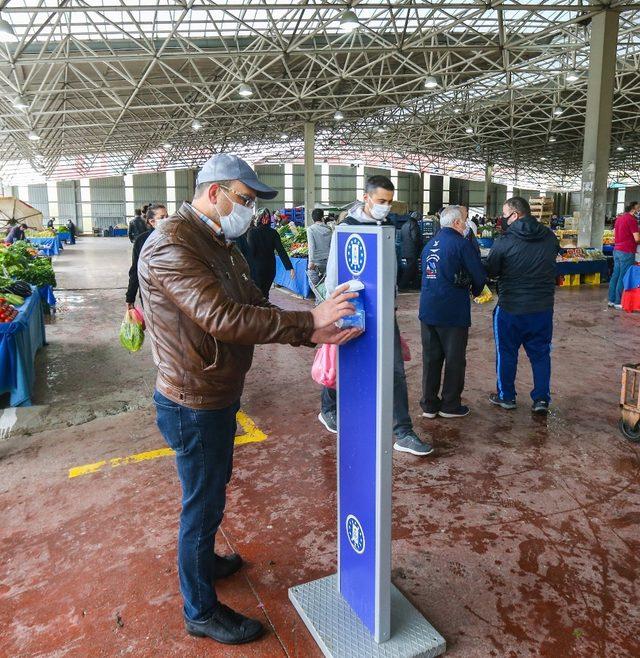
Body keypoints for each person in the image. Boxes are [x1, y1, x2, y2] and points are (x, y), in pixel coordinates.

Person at [138, 153, 360, 647]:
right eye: (244, 199)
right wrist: (309, 323)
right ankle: (199, 610)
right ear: (213, 192)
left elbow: (254, 302)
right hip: (193, 398)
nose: (251, 212)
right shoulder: (173, 245)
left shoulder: (219, 240)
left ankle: (207, 562)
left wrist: (313, 325)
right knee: (201, 502)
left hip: (214, 389)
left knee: (211, 489)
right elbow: (222, 318)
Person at [320, 175, 433, 457]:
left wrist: (392, 299)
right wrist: (336, 310)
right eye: (381, 200)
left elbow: (390, 269)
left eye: (389, 202)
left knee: (394, 369)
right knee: (343, 362)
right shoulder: (346, 229)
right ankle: (329, 408)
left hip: (383, 311)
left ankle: (402, 431)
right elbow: (334, 274)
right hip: (352, 309)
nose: (385, 206)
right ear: (366, 196)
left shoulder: (387, 227)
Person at [485, 197, 559, 414]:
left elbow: (492, 270)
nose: (503, 220)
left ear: (515, 215)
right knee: (541, 354)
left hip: (511, 308)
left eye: (504, 215)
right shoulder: (549, 236)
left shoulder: (505, 240)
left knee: (506, 353)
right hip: (542, 308)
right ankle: (541, 400)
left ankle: (506, 396)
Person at [419, 205, 486, 419]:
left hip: (428, 309)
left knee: (431, 359)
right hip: (452, 311)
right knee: (454, 359)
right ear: (456, 223)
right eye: (465, 220)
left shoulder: (430, 244)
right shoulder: (461, 244)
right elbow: (478, 275)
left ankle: (429, 404)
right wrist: (476, 291)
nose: (466, 224)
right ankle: (450, 405)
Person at [125, 203, 168, 309]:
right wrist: (130, 297)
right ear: (152, 222)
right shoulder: (142, 241)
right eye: (162, 217)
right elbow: (135, 270)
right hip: (150, 294)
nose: (167, 219)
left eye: (167, 216)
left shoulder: (174, 237)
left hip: (171, 294)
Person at [247, 207, 295, 299]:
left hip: (256, 269)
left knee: (257, 295)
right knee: (265, 294)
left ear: (258, 218)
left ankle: (261, 311)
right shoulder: (274, 233)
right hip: (270, 269)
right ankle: (266, 310)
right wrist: (290, 267)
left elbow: (250, 252)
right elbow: (281, 251)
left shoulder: (252, 232)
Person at [608, 201, 640, 309]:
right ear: (634, 209)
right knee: (623, 275)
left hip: (617, 250)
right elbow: (637, 238)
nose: (638, 211)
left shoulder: (619, 219)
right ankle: (618, 301)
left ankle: (611, 300)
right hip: (627, 251)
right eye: (638, 209)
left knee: (615, 275)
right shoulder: (632, 220)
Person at [306, 208, 332, 301]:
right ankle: (322, 302)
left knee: (315, 285)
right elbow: (331, 245)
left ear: (313, 218)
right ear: (322, 217)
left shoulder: (311, 229)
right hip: (329, 260)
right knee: (326, 284)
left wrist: (311, 261)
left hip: (316, 262)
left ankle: (319, 302)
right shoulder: (329, 229)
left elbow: (311, 246)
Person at [399, 211, 424, 290]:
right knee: (410, 268)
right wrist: (421, 246)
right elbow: (415, 238)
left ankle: (415, 285)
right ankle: (402, 285)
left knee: (414, 268)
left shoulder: (405, 224)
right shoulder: (414, 225)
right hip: (412, 250)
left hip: (405, 250)